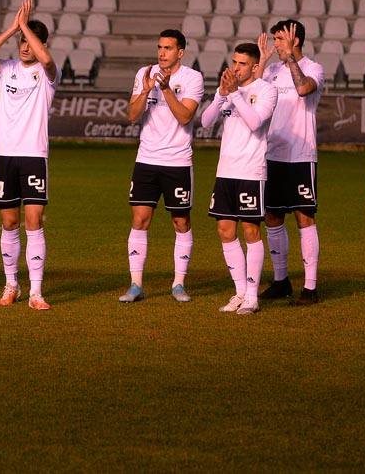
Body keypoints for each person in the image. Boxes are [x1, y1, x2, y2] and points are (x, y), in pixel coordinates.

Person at [0, 0, 57, 310]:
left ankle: (36, 291)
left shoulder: (48, 73)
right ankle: (11, 285)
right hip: (4, 155)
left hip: (33, 154)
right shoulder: (6, 69)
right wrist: (12, 29)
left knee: (33, 220)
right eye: (21, 41)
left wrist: (25, 26)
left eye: (28, 41)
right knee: (9, 222)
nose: (24, 47)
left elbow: (46, 59)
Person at [119, 29, 203, 303]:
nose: (162, 53)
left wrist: (165, 89)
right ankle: (135, 284)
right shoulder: (145, 73)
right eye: (159, 47)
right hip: (146, 159)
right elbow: (132, 115)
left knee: (181, 221)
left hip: (177, 161)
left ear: (180, 52)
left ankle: (178, 284)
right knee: (140, 220)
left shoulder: (192, 78)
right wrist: (145, 90)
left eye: (168, 48)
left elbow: (185, 116)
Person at [200, 42, 278, 315]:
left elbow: (255, 123)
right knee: (225, 231)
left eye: (242, 63)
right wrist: (222, 95)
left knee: (251, 231)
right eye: (234, 62)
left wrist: (234, 95)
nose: (235, 67)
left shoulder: (266, 90)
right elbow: (205, 121)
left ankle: (253, 296)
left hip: (250, 171)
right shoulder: (229, 92)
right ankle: (240, 292)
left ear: (255, 67)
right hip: (225, 171)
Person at [253, 20, 324, 304]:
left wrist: (291, 58)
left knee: (303, 217)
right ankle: (281, 280)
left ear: (295, 40)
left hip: (300, 155)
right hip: (272, 154)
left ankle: (310, 287)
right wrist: (261, 62)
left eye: (280, 39)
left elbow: (305, 88)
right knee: (272, 216)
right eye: (275, 38)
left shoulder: (313, 68)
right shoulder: (271, 71)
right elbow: (253, 96)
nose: (276, 44)